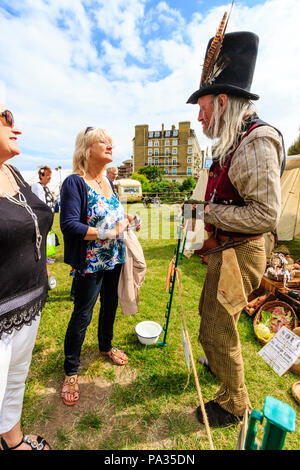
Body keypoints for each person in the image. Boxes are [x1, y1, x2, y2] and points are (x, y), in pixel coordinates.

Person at [186, 29, 285, 427]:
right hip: (226, 250)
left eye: (204, 107)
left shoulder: (257, 142)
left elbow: (264, 216)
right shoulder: (235, 142)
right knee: (211, 319)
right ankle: (223, 374)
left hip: (241, 253)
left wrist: (207, 213)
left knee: (217, 326)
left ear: (223, 102)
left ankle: (234, 404)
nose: (200, 116)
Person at [60, 126, 140, 406]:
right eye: (102, 141)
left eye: (110, 141)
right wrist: (109, 232)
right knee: (83, 313)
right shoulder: (75, 182)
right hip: (91, 262)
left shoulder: (109, 183)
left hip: (114, 259)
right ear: (86, 149)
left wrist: (128, 218)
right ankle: (71, 371)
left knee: (110, 307)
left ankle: (105, 346)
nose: (110, 145)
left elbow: (111, 214)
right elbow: (69, 225)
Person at [0, 105, 52, 450]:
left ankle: (13, 441)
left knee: (15, 379)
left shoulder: (13, 173)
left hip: (29, 302)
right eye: (6, 122)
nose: (16, 129)